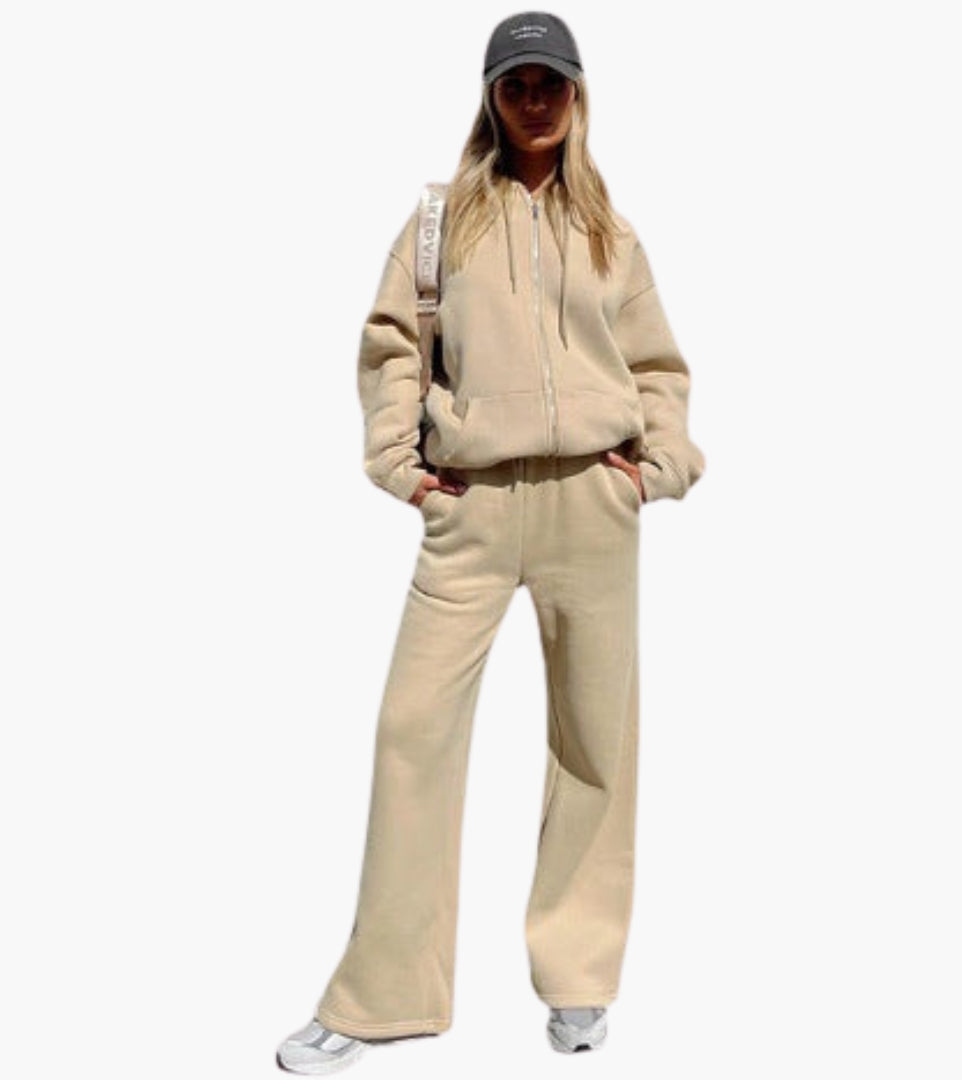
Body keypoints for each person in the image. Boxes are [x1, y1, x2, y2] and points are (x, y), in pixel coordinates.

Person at [277, 10, 705, 1074]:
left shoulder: (611, 232)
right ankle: (383, 998)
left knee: (595, 745)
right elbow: (392, 347)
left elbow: (657, 366)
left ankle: (579, 977)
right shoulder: (439, 221)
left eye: (551, 82)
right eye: (516, 83)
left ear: (578, 93)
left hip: (590, 506)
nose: (535, 100)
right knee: (412, 732)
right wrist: (400, 464)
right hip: (470, 507)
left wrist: (658, 467)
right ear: (490, 95)